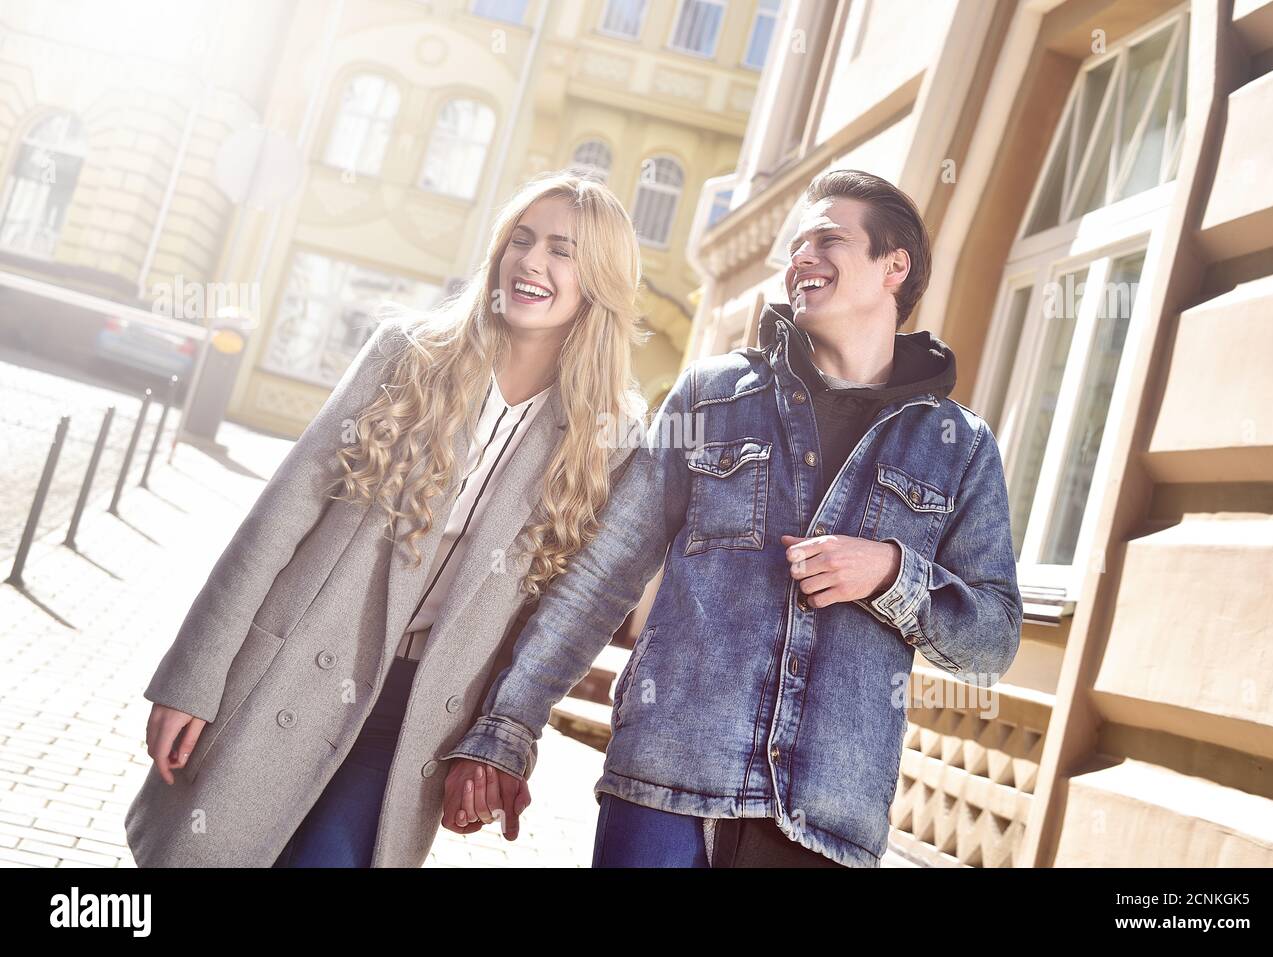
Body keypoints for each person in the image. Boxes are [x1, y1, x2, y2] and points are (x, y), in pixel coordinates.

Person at [440, 168, 1023, 867]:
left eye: (828, 240)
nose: (801, 258)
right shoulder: (711, 396)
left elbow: (993, 640)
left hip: (825, 821)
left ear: (893, 265)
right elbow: (602, 575)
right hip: (666, 787)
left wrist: (893, 573)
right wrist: (509, 726)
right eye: (796, 245)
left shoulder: (958, 446)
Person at [124, 171, 647, 867]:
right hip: (295, 665)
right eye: (521, 239)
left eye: (562, 250)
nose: (532, 262)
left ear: (600, 280)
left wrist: (500, 741)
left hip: (421, 716)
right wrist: (193, 675)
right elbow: (276, 519)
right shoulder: (409, 356)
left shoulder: (606, 436)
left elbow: (558, 615)